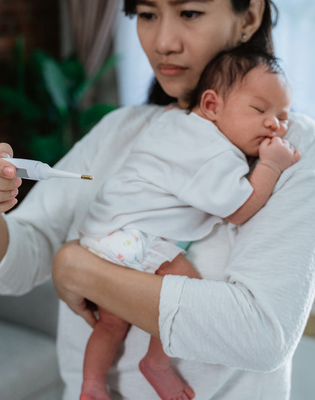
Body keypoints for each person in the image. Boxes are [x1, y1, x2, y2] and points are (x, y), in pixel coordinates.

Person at [0, 0, 315, 398]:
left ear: (248, 17)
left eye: (189, 12)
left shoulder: (289, 146)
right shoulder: (123, 128)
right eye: (146, 14)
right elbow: (14, 267)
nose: (163, 41)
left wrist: (79, 269)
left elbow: (261, 334)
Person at [78, 50, 300, 400]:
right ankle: (157, 363)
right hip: (130, 238)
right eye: (260, 110)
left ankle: (91, 383)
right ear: (211, 106)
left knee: (111, 323)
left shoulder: (172, 120)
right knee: (186, 287)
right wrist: (271, 166)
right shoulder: (214, 151)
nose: (276, 124)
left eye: (284, 117)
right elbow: (239, 210)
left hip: (99, 234)